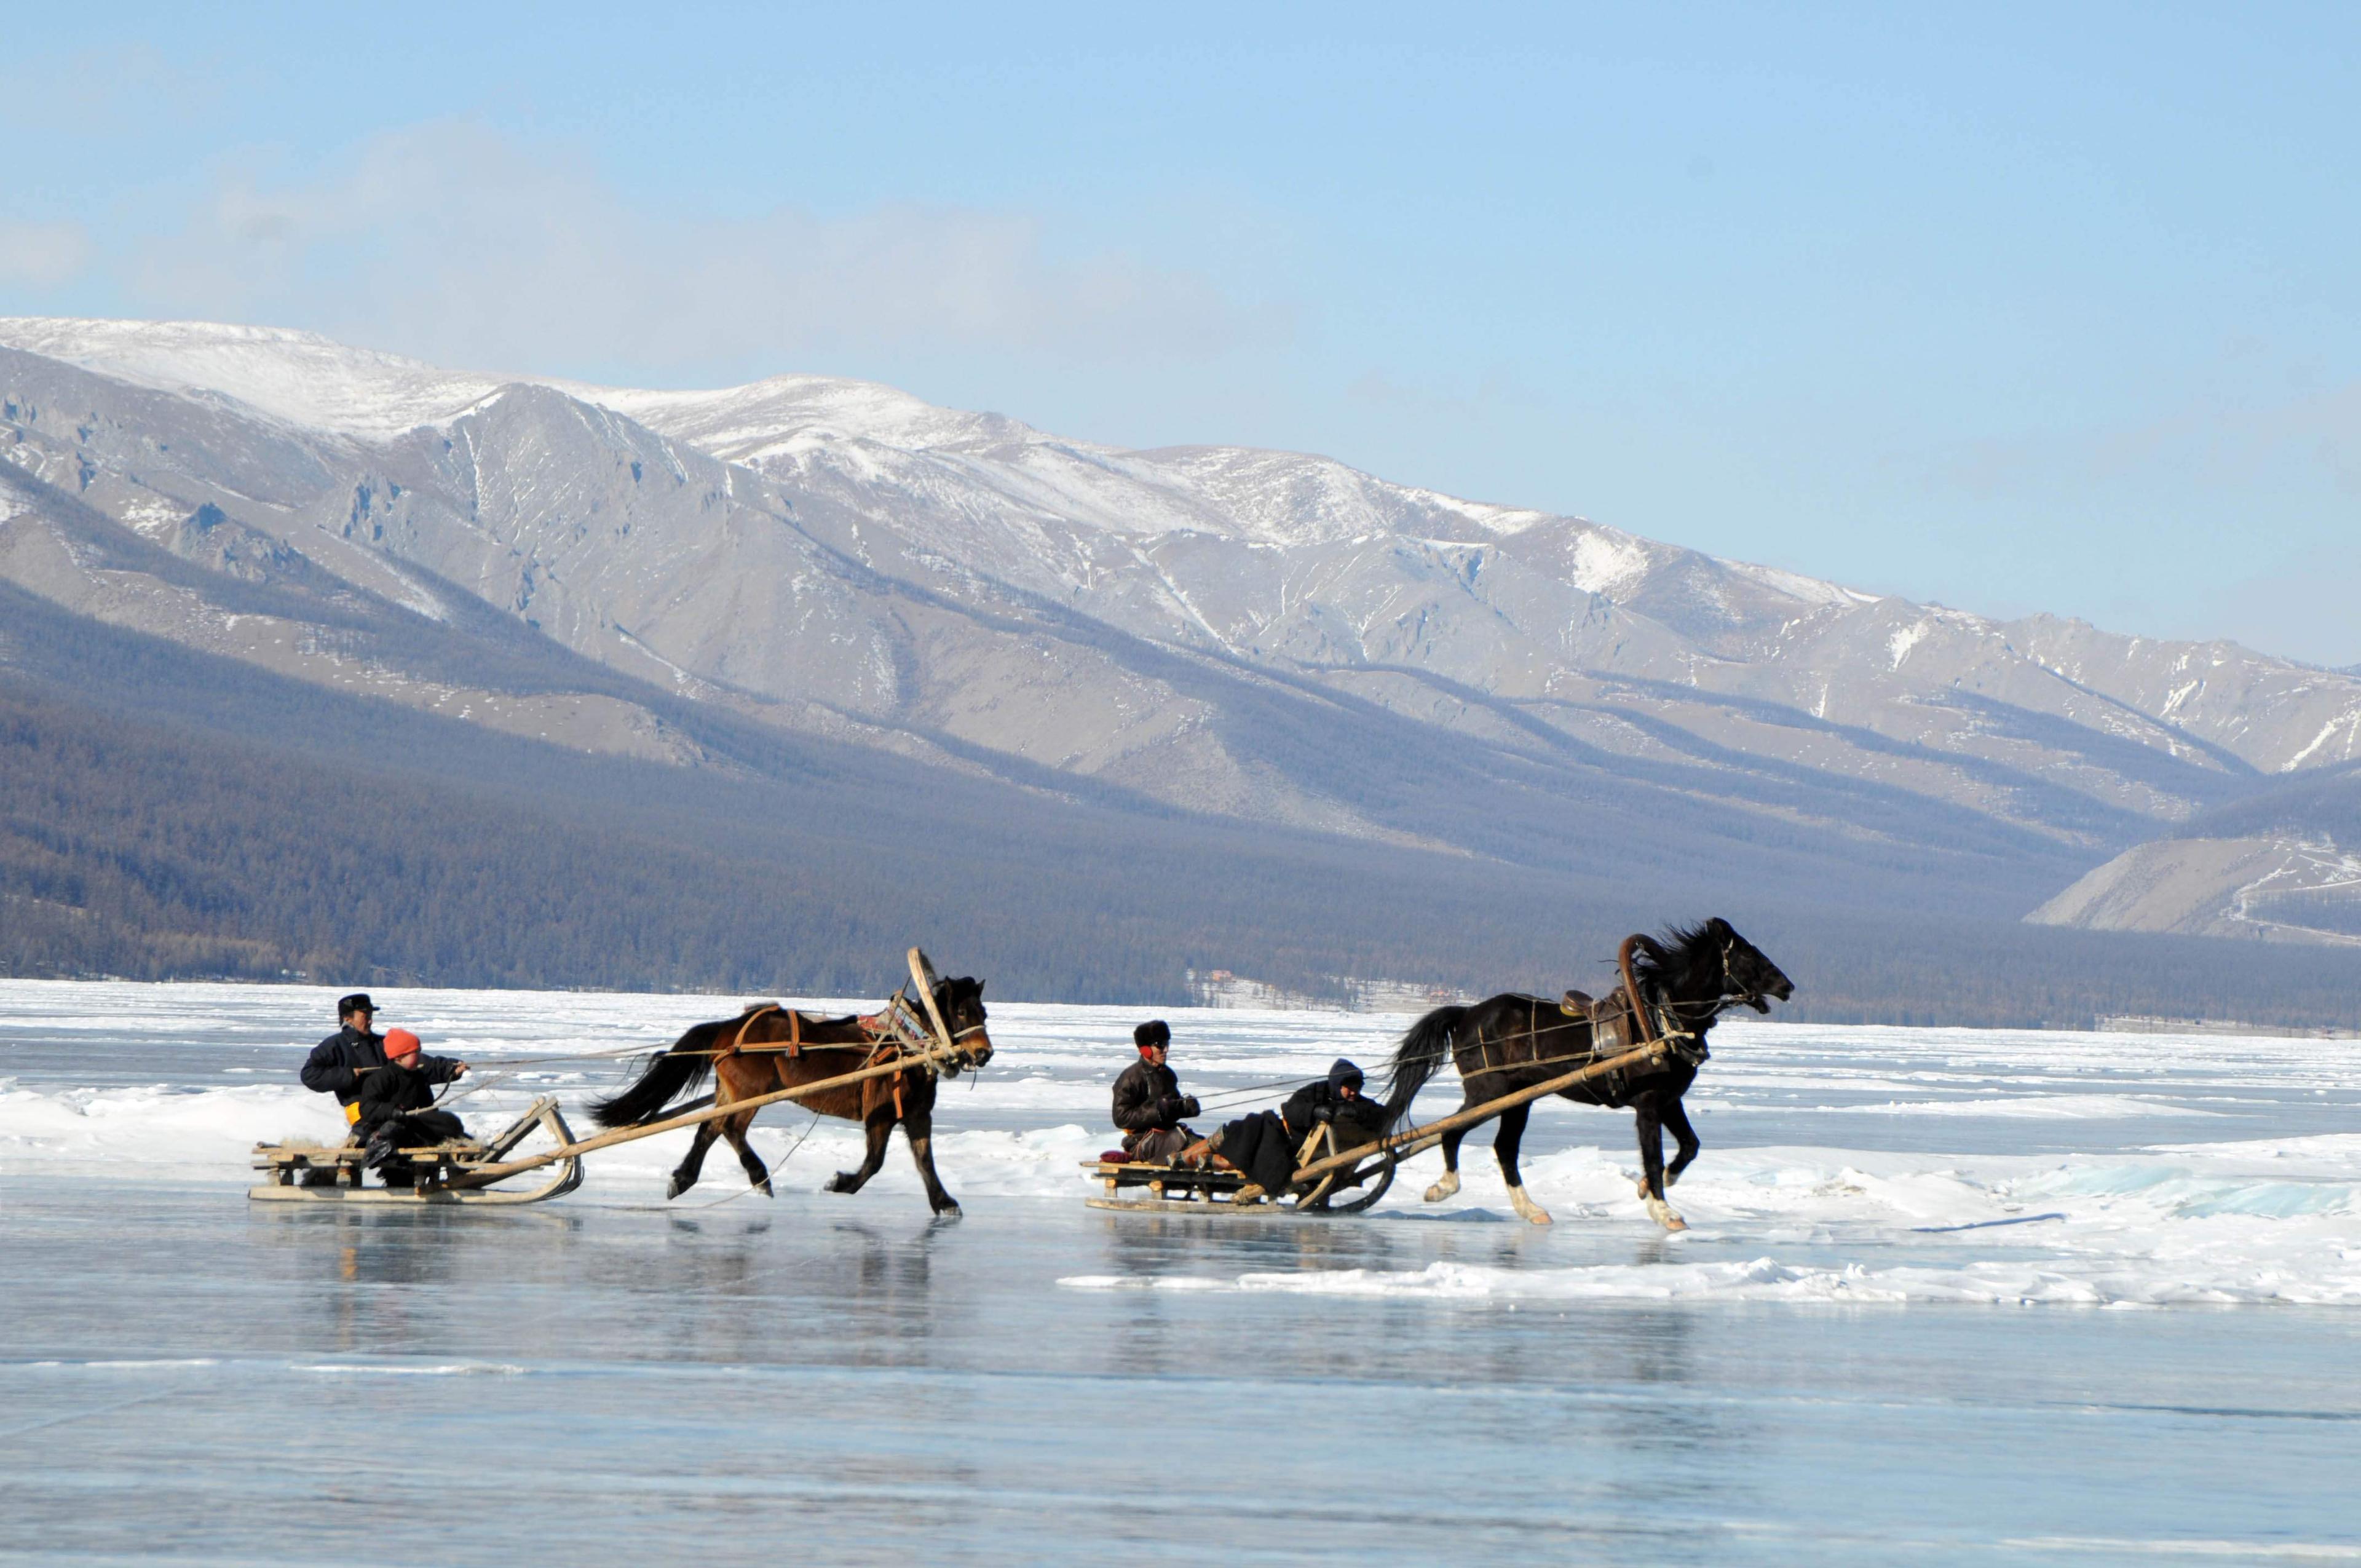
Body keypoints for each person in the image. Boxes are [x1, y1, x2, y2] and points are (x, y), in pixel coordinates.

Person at [1188, 1058, 1386, 1199]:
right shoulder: (1317, 1091)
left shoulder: (1358, 1104)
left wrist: (1349, 1110)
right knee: (1252, 1127)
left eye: (1357, 1088)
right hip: (1290, 1140)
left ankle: (1212, 1157)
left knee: (1251, 1132)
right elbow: (1292, 1109)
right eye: (1348, 1087)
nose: (1353, 1092)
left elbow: (1380, 1113)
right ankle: (1199, 1157)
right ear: (1336, 1084)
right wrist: (1315, 1110)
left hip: (1296, 1150)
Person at [296, 994, 386, 1184]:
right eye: (365, 1015)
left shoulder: (381, 1044)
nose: (370, 1020)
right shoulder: (335, 1045)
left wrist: (447, 1069)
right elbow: (309, 1075)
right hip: (359, 1110)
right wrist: (348, 1075)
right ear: (348, 1019)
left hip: (387, 1107)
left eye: (370, 1015)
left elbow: (413, 1062)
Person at [357, 1028, 470, 1175]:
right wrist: (392, 1111)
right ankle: (379, 1141)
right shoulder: (380, 1078)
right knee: (394, 1127)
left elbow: (429, 1103)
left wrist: (451, 1069)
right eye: (415, 1053)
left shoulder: (418, 1077)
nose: (419, 1056)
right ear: (399, 1057)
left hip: (415, 1127)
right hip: (389, 1125)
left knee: (450, 1121)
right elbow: (367, 1108)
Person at [1110, 1020, 1201, 1163]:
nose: (1166, 1050)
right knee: (1198, 1150)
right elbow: (1121, 1118)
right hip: (1142, 1142)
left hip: (1168, 1136)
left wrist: (1186, 1108)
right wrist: (1156, 1110)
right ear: (1145, 1049)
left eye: (1167, 1044)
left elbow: (1170, 1110)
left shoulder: (1168, 1075)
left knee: (1209, 1146)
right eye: (1160, 1045)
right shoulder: (1131, 1077)